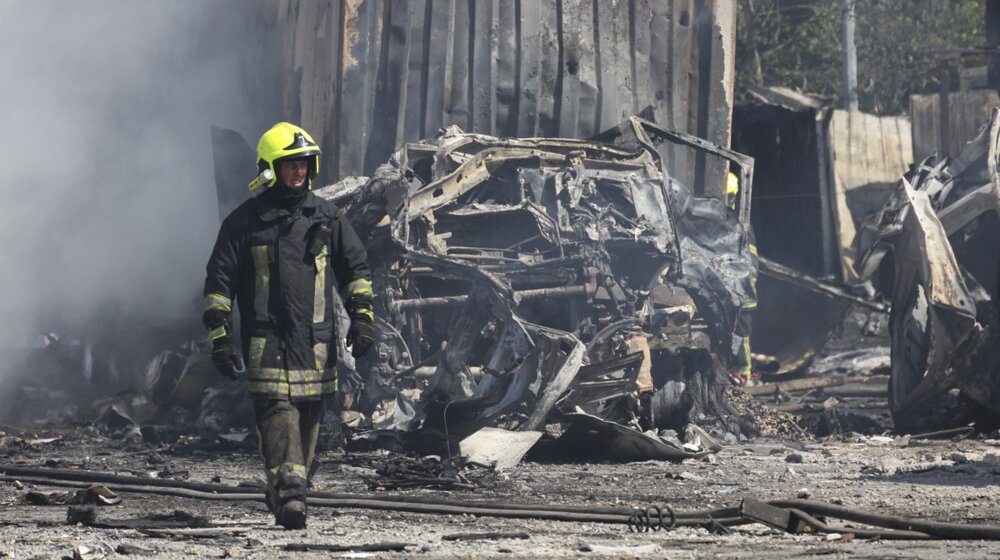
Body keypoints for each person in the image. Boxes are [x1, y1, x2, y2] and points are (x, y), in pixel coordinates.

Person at [202, 122, 374, 529]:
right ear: (269, 169)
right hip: (267, 346)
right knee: (279, 417)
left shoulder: (327, 218)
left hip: (315, 348)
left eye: (304, 164)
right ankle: (292, 498)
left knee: (308, 427)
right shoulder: (244, 224)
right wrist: (220, 336)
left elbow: (356, 269)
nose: (299, 172)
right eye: (290, 165)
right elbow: (218, 283)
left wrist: (363, 318)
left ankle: (285, 490)